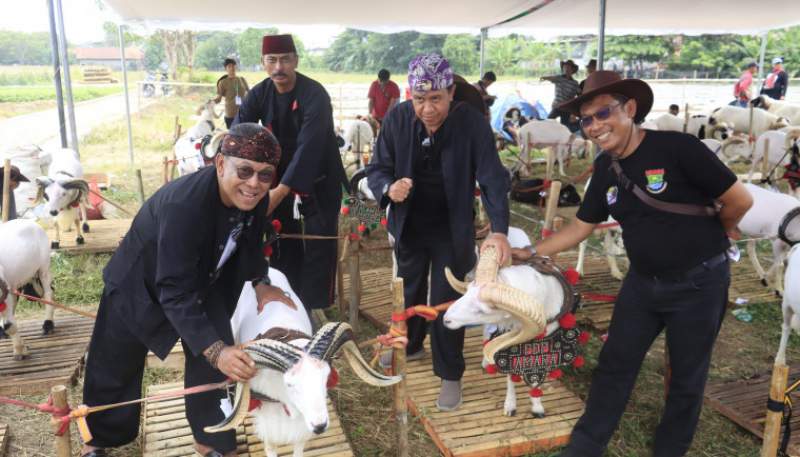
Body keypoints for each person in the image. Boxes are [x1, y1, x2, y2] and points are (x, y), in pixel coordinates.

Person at [514, 70, 753, 457]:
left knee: (686, 377)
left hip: (698, 285)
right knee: (614, 364)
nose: (594, 126)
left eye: (602, 113)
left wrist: (718, 233)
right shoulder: (606, 167)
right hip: (642, 284)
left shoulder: (678, 148)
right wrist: (530, 252)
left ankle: (669, 450)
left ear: (629, 108)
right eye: (586, 120)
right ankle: (585, 447)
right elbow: (581, 226)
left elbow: (740, 201)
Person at [80, 123, 295, 457]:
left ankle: (211, 441)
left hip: (204, 282)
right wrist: (216, 351)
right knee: (116, 361)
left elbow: (252, 241)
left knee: (215, 364)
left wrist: (260, 282)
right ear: (220, 164)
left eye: (265, 175)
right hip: (140, 282)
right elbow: (174, 291)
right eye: (244, 171)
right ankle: (98, 440)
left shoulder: (254, 197)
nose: (254, 183)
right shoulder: (184, 205)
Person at [367, 53, 511, 412]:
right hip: (410, 222)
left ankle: (449, 373)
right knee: (409, 288)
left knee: (448, 297)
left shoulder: (472, 123)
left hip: (452, 224)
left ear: (451, 93)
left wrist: (499, 230)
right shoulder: (397, 119)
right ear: (409, 96)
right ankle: (411, 344)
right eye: (420, 99)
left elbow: (492, 178)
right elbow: (378, 168)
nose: (428, 109)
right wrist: (388, 187)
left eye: (436, 99)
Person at [233, 34, 346, 314]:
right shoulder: (258, 94)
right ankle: (288, 296)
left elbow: (310, 146)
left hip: (319, 175)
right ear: (262, 62)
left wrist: (281, 191)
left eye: (285, 60)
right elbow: (238, 135)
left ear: (295, 60)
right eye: (272, 60)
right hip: (279, 177)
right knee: (281, 237)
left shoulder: (315, 94)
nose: (278, 67)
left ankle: (316, 307)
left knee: (319, 241)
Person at [543, 60, 581, 130]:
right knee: (548, 121)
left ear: (572, 70)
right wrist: (544, 78)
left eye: (568, 68)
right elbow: (551, 78)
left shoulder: (575, 83)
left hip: (567, 108)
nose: (566, 69)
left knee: (565, 127)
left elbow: (579, 94)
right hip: (557, 105)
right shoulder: (559, 78)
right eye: (564, 67)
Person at [213, 58, 249, 128]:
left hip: (243, 113)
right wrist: (209, 103)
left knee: (243, 134)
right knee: (232, 134)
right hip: (230, 115)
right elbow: (218, 99)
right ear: (225, 69)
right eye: (229, 66)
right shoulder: (222, 82)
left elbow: (250, 94)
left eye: (233, 66)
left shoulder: (242, 79)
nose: (232, 68)